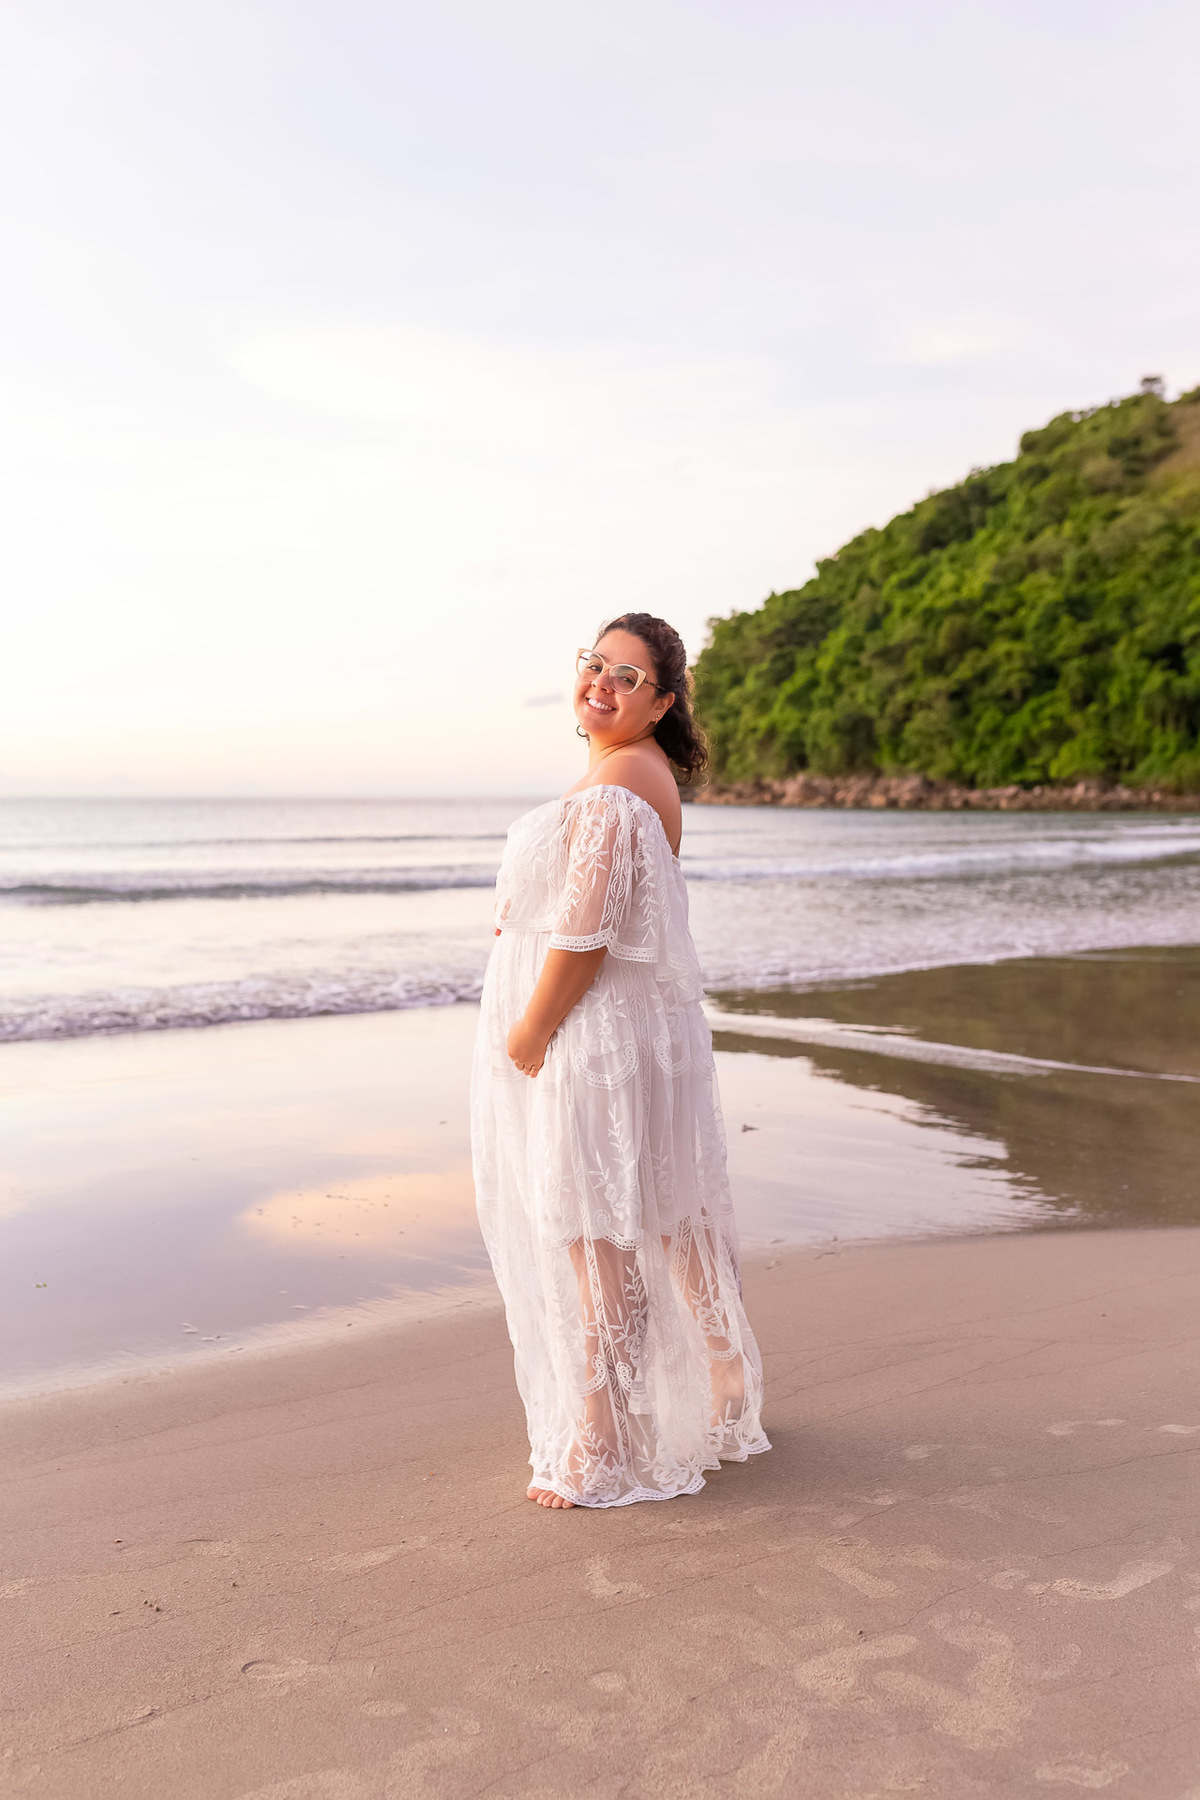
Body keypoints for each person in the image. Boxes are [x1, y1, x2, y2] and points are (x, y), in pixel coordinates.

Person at [470, 613, 770, 1508]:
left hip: (591, 1032)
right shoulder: (631, 774)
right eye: (594, 665)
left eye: (627, 677)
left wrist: (528, 1033)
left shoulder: (616, 785)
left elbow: (589, 933)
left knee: (592, 1230)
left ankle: (602, 1443)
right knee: (669, 1209)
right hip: (633, 1029)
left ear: (663, 701)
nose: (601, 682)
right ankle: (725, 1383)